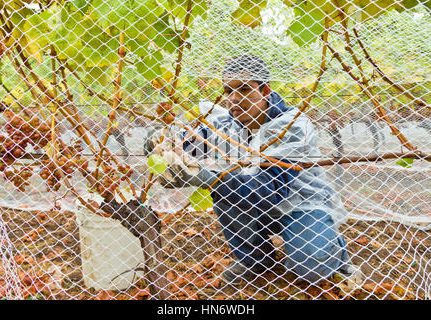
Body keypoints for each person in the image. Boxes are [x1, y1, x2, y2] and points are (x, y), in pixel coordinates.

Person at [145, 54, 355, 285]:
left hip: (301, 205)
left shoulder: (292, 126)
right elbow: (189, 142)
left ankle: (334, 248)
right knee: (227, 192)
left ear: (265, 90)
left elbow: (270, 189)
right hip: (250, 202)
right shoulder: (224, 124)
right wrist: (162, 144)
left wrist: (206, 178)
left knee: (312, 268)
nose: (235, 99)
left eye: (244, 89)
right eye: (228, 91)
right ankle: (255, 260)